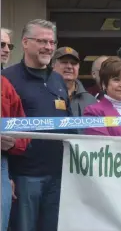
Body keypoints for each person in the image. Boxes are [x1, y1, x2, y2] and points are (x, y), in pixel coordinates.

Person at [2, 19, 73, 231]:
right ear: (25, 42)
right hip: (23, 177)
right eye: (42, 41)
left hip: (58, 176)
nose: (48, 47)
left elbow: (69, 123)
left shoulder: (58, 80)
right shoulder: (7, 79)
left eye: (52, 42)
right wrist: (7, 178)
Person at [1, 76, 30, 231]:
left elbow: (23, 129)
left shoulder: (4, 84)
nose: (5, 50)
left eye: (9, 48)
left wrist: (13, 143)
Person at [52, 46, 96, 116]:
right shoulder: (43, 94)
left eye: (74, 63)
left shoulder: (90, 100)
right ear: (53, 65)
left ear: (78, 67)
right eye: (64, 62)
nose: (69, 66)